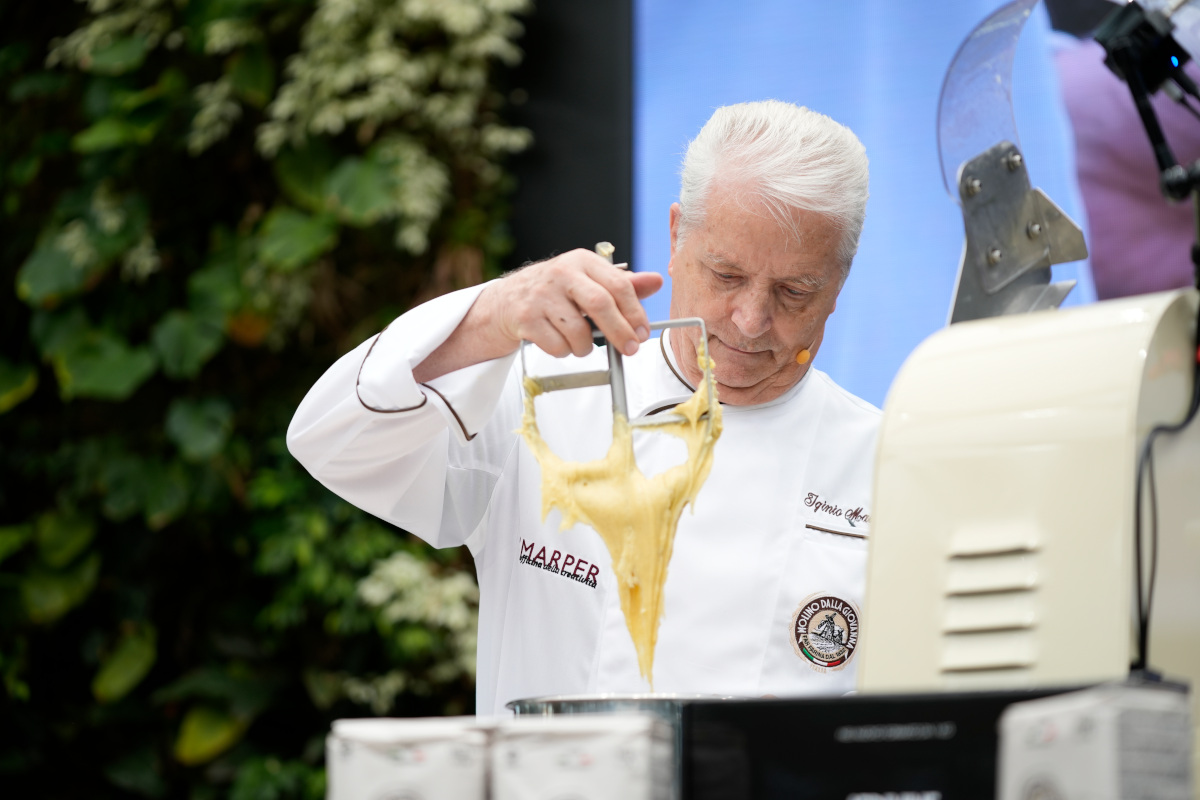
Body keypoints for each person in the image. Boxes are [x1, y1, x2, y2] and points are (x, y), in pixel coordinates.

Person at [288, 100, 881, 715]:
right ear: (677, 237)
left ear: (839, 284)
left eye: (795, 291)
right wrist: (497, 313)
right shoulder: (539, 397)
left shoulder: (887, 464)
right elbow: (332, 442)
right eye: (726, 275)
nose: (751, 320)